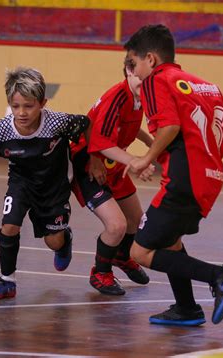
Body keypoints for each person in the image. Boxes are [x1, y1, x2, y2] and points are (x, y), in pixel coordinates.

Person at [123, 24, 223, 325]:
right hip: (210, 177)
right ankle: (187, 308)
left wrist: (145, 158)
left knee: (139, 252)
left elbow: (172, 126)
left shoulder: (156, 80)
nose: (135, 73)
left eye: (134, 64)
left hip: (184, 179)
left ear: (150, 59)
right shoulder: (206, 85)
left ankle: (220, 275)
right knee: (170, 241)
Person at [0, 67, 90, 299]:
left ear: (42, 103)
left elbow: (87, 125)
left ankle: (64, 240)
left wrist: (93, 160)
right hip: (21, 183)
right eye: (16, 106)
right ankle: (7, 281)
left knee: (53, 241)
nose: (22, 113)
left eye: (29, 106)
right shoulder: (4, 129)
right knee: (9, 226)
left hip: (54, 188)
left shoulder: (58, 123)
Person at [70, 65, 154, 296]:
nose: (144, 80)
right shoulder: (116, 97)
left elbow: (129, 125)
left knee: (136, 221)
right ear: (128, 70)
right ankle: (100, 272)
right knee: (116, 226)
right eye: (138, 75)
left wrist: (148, 141)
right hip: (90, 164)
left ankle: (121, 256)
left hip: (111, 162)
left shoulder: (140, 97)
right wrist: (99, 160)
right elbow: (94, 130)